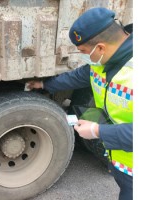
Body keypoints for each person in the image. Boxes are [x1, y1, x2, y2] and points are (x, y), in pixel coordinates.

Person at [27, 7, 133, 200]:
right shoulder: (103, 63)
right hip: (122, 163)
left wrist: (97, 131)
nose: (84, 57)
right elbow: (78, 76)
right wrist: (44, 84)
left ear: (100, 48)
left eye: (84, 51)